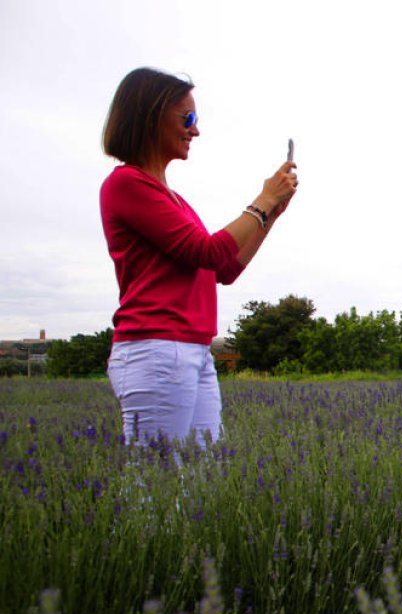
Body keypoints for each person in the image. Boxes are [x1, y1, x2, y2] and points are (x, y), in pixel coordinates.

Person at [100, 67, 298, 457]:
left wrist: (271, 213)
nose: (195, 130)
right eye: (187, 118)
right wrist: (262, 200)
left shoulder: (173, 199)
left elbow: (223, 268)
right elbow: (205, 251)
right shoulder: (125, 184)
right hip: (156, 349)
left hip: (192, 350)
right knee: (157, 487)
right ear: (150, 116)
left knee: (202, 482)